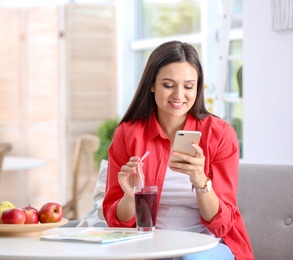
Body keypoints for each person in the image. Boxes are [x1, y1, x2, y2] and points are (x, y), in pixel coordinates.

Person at [102, 40, 254, 260]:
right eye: (168, 85)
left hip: (210, 246)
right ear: (152, 84)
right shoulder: (128, 133)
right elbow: (116, 222)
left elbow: (222, 224)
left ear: (197, 88)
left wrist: (200, 180)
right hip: (149, 246)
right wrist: (130, 196)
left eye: (188, 86)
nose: (179, 95)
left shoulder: (220, 134)